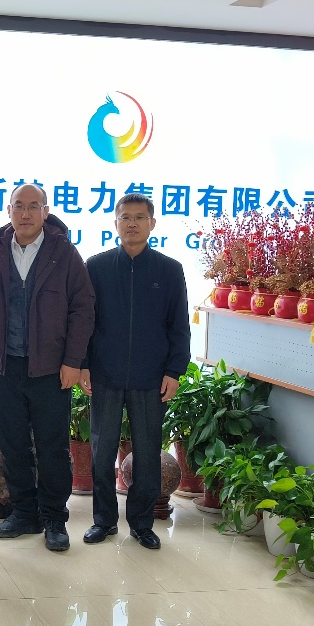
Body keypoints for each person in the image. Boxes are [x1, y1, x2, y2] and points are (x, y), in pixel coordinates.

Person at [0, 183, 95, 551]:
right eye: (18, 206)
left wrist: (73, 361)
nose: (25, 213)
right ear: (8, 210)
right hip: (3, 366)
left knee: (52, 447)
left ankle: (54, 519)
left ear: (46, 211)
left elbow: (83, 308)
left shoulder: (64, 252)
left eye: (33, 206)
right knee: (13, 445)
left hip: (51, 369)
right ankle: (24, 513)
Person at [80, 192, 190, 550]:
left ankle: (142, 524)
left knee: (147, 453)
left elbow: (179, 326)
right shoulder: (95, 267)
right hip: (105, 374)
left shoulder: (169, 270)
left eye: (140, 217)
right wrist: (83, 364)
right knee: (102, 452)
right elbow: (84, 321)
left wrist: (174, 370)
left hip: (150, 377)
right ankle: (103, 521)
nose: (132, 224)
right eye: (125, 217)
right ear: (115, 223)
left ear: (152, 223)